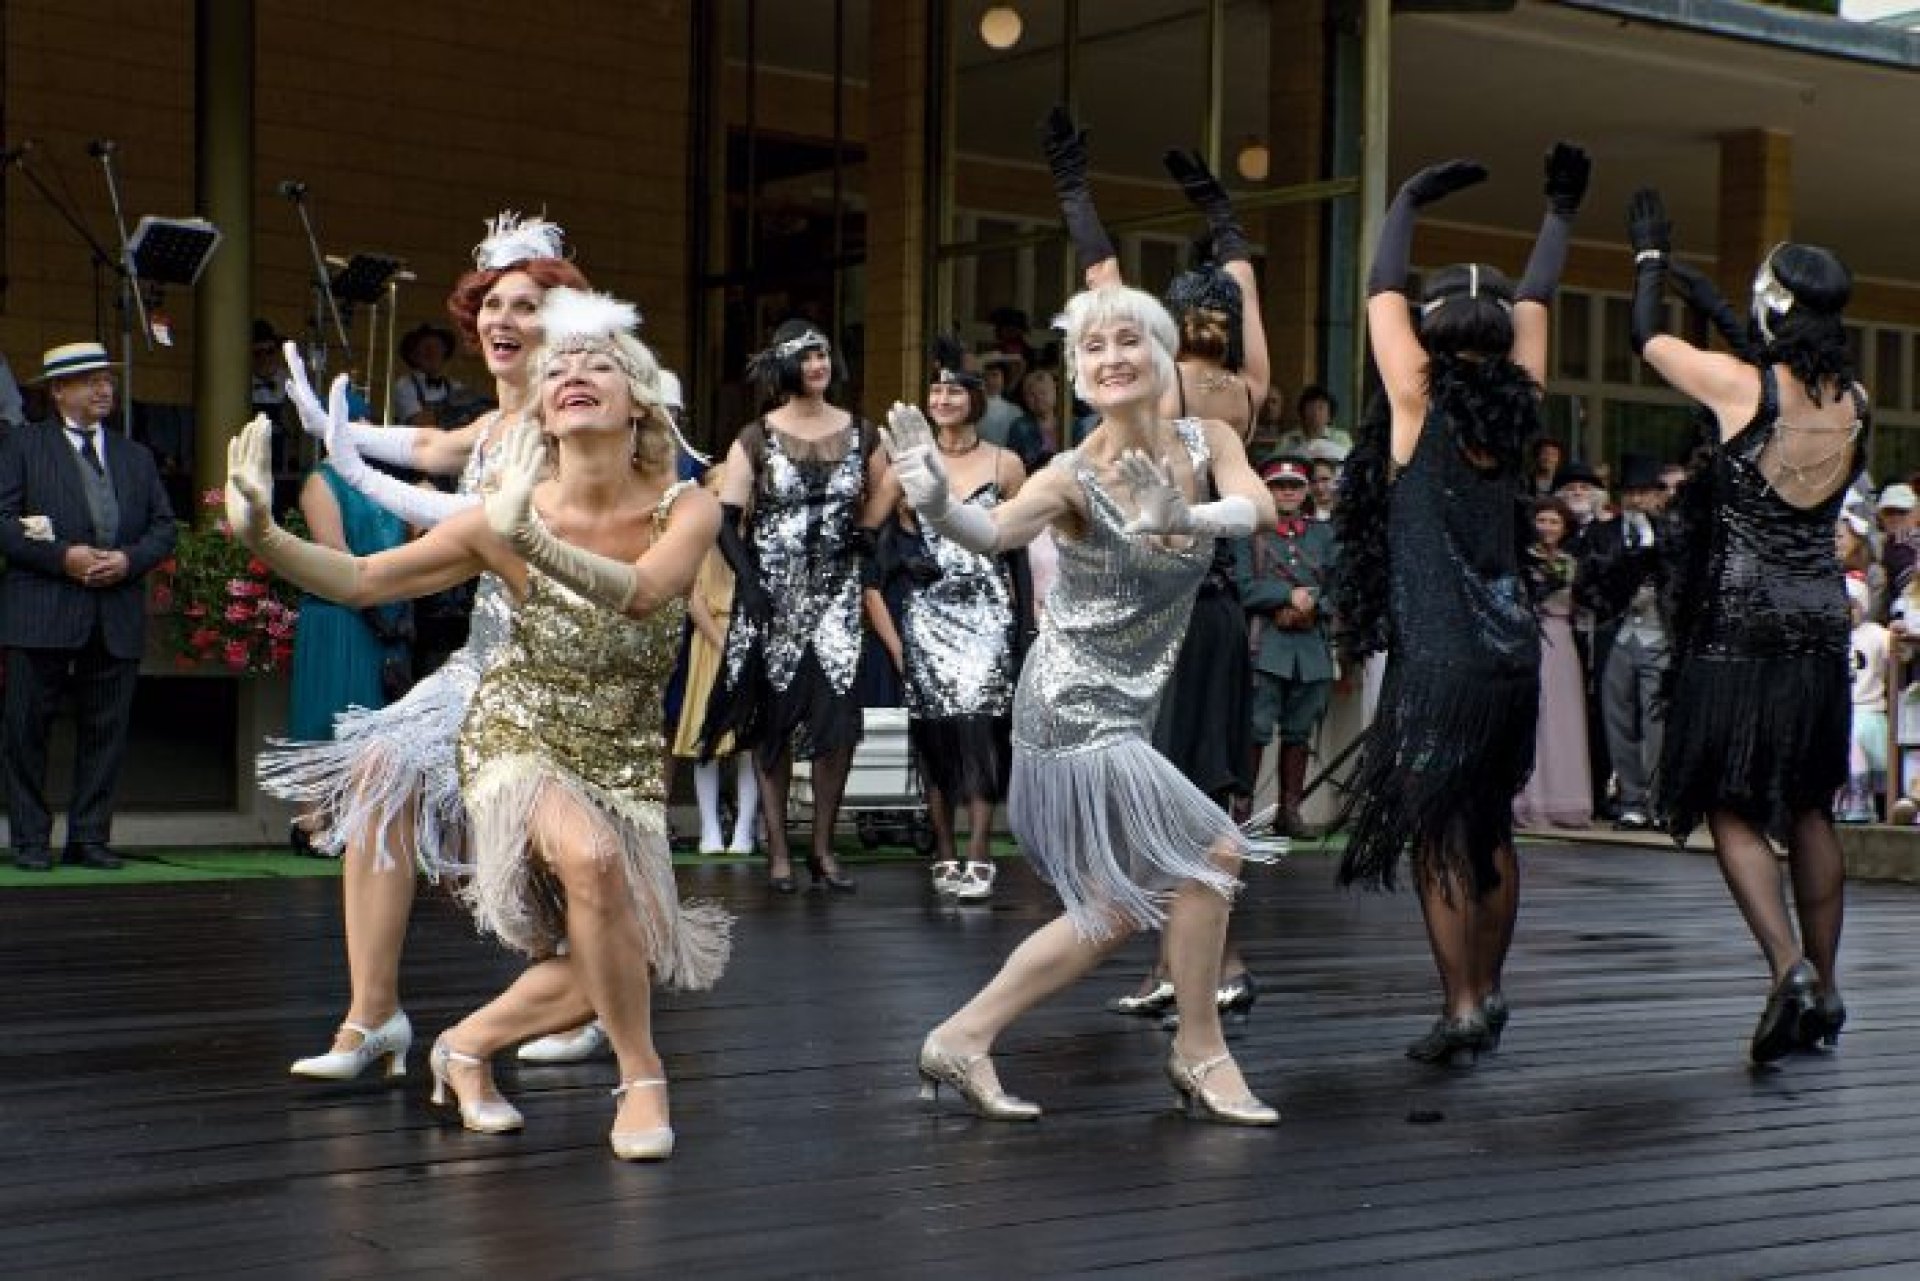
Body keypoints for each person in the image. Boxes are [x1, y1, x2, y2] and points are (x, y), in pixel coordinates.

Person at [228, 287, 726, 1160]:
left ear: (640, 400)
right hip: (516, 729)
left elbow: (648, 592)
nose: (574, 373)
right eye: (559, 367)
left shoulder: (687, 506)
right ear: (542, 410)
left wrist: (531, 541)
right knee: (590, 858)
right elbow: (363, 579)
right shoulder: (502, 511)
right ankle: (642, 1075)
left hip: (622, 751)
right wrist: (264, 534)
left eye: (599, 363)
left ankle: (463, 1046)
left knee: (631, 947)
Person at [890, 281, 1281, 1125]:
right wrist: (937, 504)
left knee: (1111, 910)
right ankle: (1201, 1051)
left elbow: (1262, 507)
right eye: (1093, 348)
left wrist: (1191, 514)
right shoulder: (1069, 473)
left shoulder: (1208, 438)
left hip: (1128, 707)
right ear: (1076, 374)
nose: (1112, 358)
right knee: (1211, 848)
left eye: (1128, 341)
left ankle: (962, 1036)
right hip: (1069, 703)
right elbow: (995, 532)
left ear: (1162, 354)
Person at [261, 213, 595, 1079]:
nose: (500, 319)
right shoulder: (491, 424)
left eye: (524, 306)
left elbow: (485, 522)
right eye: (491, 304)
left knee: (532, 847)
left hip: (560, 673)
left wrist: (356, 469)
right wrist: (339, 430)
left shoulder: (575, 420)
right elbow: (431, 446)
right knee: (381, 770)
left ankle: (583, 987)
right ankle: (372, 1016)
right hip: (483, 661)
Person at [1332, 143, 1587, 1063]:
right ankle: (1492, 985)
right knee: (1491, 830)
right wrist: (1559, 212)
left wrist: (1407, 199)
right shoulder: (1521, 408)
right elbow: (1539, 300)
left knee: (1439, 835)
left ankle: (1463, 1004)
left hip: (1438, 663)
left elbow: (1379, 290)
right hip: (1512, 657)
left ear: (1431, 335)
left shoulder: (1416, 400)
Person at [1041, 109, 1272, 1020]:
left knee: (1173, 797)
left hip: (1172, 613)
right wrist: (1221, 221)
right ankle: (1197, 966)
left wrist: (1074, 191)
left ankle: (1202, 967)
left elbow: (1103, 280)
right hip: (1212, 608)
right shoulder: (1242, 391)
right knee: (1199, 793)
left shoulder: (1173, 388)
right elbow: (1241, 289)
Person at [1628, 194, 1867, 1061]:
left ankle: (1785, 967)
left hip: (1739, 616)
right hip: (1818, 620)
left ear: (1775, 308)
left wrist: (1650, 262)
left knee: (1727, 797)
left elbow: (1645, 338)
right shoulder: (1858, 400)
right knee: (1808, 803)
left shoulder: (1742, 386)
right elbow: (1774, 369)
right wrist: (1720, 306)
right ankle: (1827, 989)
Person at [702, 320, 896, 894]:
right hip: (773, 596)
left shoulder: (863, 432)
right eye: (807, 357)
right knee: (774, 723)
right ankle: (780, 852)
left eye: (824, 354)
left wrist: (868, 532)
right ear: (787, 366)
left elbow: (889, 489)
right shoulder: (756, 436)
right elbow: (724, 519)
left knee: (837, 724)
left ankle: (822, 849)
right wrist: (749, 584)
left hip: (837, 594)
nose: (818, 365)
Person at [0, 342, 178, 872]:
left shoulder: (135, 456)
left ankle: (90, 837)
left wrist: (128, 560)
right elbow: (3, 522)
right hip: (41, 608)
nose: (104, 389)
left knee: (107, 731)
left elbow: (164, 528)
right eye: (89, 380)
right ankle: (29, 839)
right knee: (26, 730)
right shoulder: (21, 446)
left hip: (115, 611)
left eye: (107, 379)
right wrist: (63, 557)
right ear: (58, 390)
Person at [879, 336, 1026, 902]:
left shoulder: (1005, 463)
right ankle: (942, 847)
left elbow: (1021, 547)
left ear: (975, 398)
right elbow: (868, 533)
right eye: (935, 391)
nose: (942, 399)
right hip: (927, 614)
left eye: (953, 391)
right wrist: (901, 561)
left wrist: (1024, 619)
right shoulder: (907, 462)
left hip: (987, 610)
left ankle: (979, 848)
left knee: (982, 727)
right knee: (935, 729)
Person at [285, 460, 412, 851]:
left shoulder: (388, 482)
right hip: (338, 611)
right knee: (322, 714)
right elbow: (334, 552)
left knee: (373, 717)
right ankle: (311, 822)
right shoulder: (321, 481)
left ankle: (357, 823)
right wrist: (375, 604)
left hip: (390, 611)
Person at [1238, 456, 1336, 839]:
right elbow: (1242, 586)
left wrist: (1315, 606)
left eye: (1295, 485)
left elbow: (1342, 586)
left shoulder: (1323, 535)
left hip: (1311, 649)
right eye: (1279, 486)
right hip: (1266, 648)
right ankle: (1242, 816)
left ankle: (1289, 812)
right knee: (1255, 730)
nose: (1288, 492)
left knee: (1299, 732)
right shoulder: (1249, 533)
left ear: (1307, 490)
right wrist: (1286, 595)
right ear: (1266, 490)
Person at [669, 464, 760, 856]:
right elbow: (691, 596)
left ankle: (744, 829)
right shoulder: (698, 539)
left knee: (749, 741)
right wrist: (721, 641)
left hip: (751, 638)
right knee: (705, 738)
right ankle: (709, 827)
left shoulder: (758, 537)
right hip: (710, 641)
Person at [1578, 452, 1672, 830]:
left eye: (1644, 492)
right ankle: (1631, 799)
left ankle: (1660, 800)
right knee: (1617, 719)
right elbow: (1584, 585)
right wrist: (1613, 603)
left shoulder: (1672, 533)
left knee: (1657, 722)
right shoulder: (1602, 534)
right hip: (1616, 634)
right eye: (1631, 492)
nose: (1636, 499)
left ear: (1657, 495)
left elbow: (1687, 583)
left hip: (1660, 635)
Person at [1513, 495, 1592, 829]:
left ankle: (1565, 800)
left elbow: (1583, 605)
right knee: (1532, 716)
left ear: (1564, 528)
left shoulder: (1572, 563)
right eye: (1542, 520)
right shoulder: (1522, 560)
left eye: (1554, 521)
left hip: (1561, 641)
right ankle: (1527, 799)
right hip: (1529, 637)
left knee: (1562, 719)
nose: (1547, 527)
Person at [1838, 576, 1888, 824]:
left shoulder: (1876, 634)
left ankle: (1870, 800)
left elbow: (1899, 652)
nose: (1848, 612)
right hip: (1841, 710)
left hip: (1870, 708)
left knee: (1858, 740)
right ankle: (1850, 799)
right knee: (1846, 743)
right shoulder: (1832, 636)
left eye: (1853, 605)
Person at [391, 322, 470, 426]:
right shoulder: (404, 386)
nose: (433, 352)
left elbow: (469, 421)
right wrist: (457, 414)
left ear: (445, 353)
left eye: (437, 346)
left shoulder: (456, 387)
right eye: (426, 347)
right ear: (413, 355)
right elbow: (420, 423)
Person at [1278, 385, 1351, 458]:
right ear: (1302, 413)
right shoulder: (1288, 439)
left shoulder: (1341, 439)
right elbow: (1275, 462)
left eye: (1321, 407)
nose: (1315, 413)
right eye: (1310, 407)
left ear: (1329, 416)